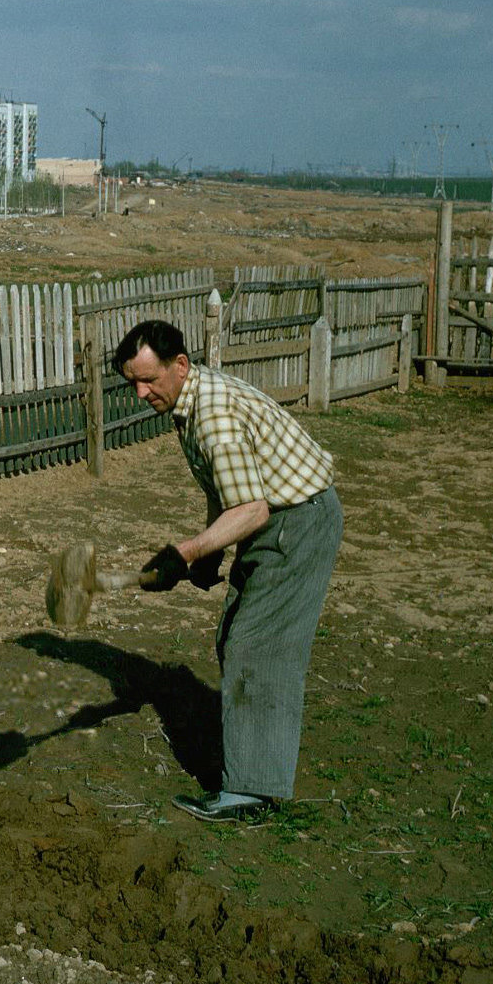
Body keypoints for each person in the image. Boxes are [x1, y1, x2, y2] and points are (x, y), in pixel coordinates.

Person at [114, 318, 342, 822]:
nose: (140, 393)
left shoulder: (211, 413)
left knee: (257, 645)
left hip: (295, 522)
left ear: (180, 365)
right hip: (273, 521)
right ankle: (252, 755)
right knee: (235, 637)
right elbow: (226, 488)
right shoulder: (190, 402)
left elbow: (254, 509)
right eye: (133, 382)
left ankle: (251, 792)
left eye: (149, 380)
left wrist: (186, 551)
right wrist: (209, 554)